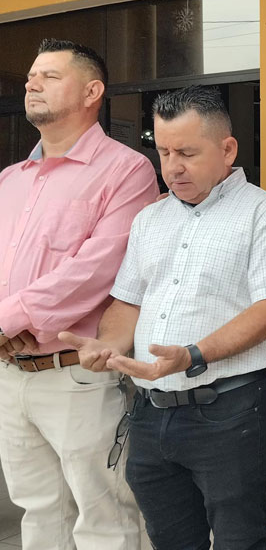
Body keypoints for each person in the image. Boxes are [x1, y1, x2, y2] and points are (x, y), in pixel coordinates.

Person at [59, 85, 266, 549]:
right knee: (170, 538)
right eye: (164, 152)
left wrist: (194, 354)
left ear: (227, 149)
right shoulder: (149, 220)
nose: (172, 167)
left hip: (230, 411)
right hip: (151, 414)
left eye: (188, 153)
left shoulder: (264, 215)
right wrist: (107, 345)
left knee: (241, 539)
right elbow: (128, 303)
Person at [0, 38, 155, 550]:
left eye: (49, 75)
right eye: (31, 76)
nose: (32, 83)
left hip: (76, 377)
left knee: (102, 516)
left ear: (92, 92)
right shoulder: (10, 180)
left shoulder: (127, 170)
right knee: (38, 511)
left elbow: (97, 269)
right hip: (10, 374)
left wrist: (7, 319)